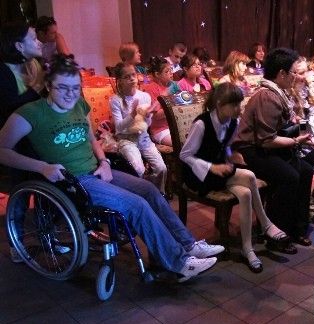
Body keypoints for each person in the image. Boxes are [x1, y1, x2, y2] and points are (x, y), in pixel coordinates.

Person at [0, 55, 224, 282]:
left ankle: (188, 245)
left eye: (75, 88)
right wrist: (41, 167)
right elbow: (2, 150)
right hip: (71, 181)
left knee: (149, 190)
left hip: (97, 171)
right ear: (48, 86)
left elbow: (91, 139)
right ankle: (179, 263)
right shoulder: (30, 113)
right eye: (62, 88)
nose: (70, 94)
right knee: (136, 205)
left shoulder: (78, 105)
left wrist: (104, 162)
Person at [180, 83, 295, 271]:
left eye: (239, 104)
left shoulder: (232, 123)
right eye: (234, 105)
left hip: (220, 171)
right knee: (249, 175)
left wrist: (231, 156)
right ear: (219, 104)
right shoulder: (202, 124)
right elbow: (184, 155)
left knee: (246, 194)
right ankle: (266, 224)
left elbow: (225, 146)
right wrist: (211, 167)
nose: (239, 109)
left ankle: (247, 249)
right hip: (198, 175)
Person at [231, 48, 314, 246]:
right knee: (289, 176)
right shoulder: (267, 96)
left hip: (269, 147)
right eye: (293, 72)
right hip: (251, 151)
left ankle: (297, 227)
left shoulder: (279, 92)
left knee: (306, 170)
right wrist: (296, 141)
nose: (296, 76)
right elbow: (266, 140)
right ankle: (276, 233)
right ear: (282, 73)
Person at [0, 22, 46, 263]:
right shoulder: (3, 72)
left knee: (45, 190)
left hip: (38, 139)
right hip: (14, 144)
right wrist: (38, 87)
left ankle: (47, 238)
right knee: (19, 192)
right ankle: (16, 243)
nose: (39, 42)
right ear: (18, 45)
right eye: (33, 38)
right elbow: (11, 110)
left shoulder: (35, 65)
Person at [109, 62, 167, 192]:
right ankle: (142, 194)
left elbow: (148, 125)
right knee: (138, 170)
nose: (132, 79)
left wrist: (148, 116)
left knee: (161, 168)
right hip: (126, 139)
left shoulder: (144, 96)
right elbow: (119, 127)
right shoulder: (116, 100)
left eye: (133, 75)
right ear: (120, 81)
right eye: (127, 77)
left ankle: (156, 193)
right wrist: (132, 115)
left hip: (144, 138)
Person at [143, 56, 181, 147]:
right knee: (182, 144)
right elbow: (155, 116)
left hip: (177, 125)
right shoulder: (150, 88)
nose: (171, 73)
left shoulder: (173, 85)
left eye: (171, 70)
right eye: (167, 71)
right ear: (157, 74)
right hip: (160, 130)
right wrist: (174, 106)